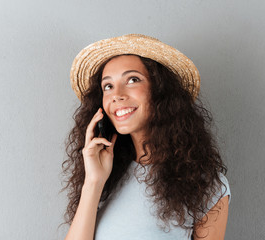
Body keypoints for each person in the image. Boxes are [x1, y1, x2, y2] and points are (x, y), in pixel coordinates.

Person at [61, 34, 231, 240]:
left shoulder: (204, 184)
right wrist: (93, 182)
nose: (117, 94)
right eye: (108, 86)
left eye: (132, 79)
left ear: (160, 91)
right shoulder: (105, 176)